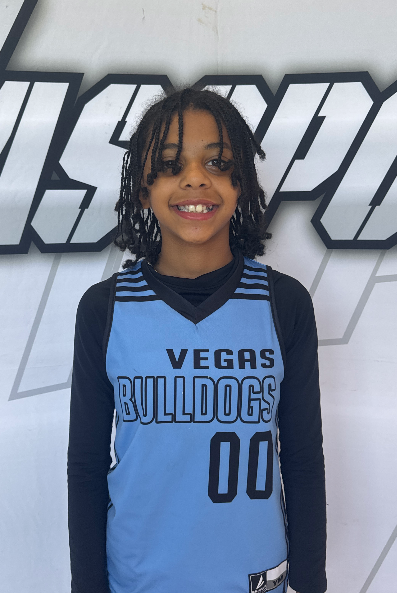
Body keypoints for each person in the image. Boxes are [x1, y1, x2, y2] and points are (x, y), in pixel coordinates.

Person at [68, 87, 327, 593]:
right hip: (138, 579)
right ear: (143, 189)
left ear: (241, 183)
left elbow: (301, 459)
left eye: (217, 163)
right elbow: (87, 467)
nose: (195, 178)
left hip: (255, 577)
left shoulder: (283, 303)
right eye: (170, 165)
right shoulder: (105, 308)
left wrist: (311, 582)